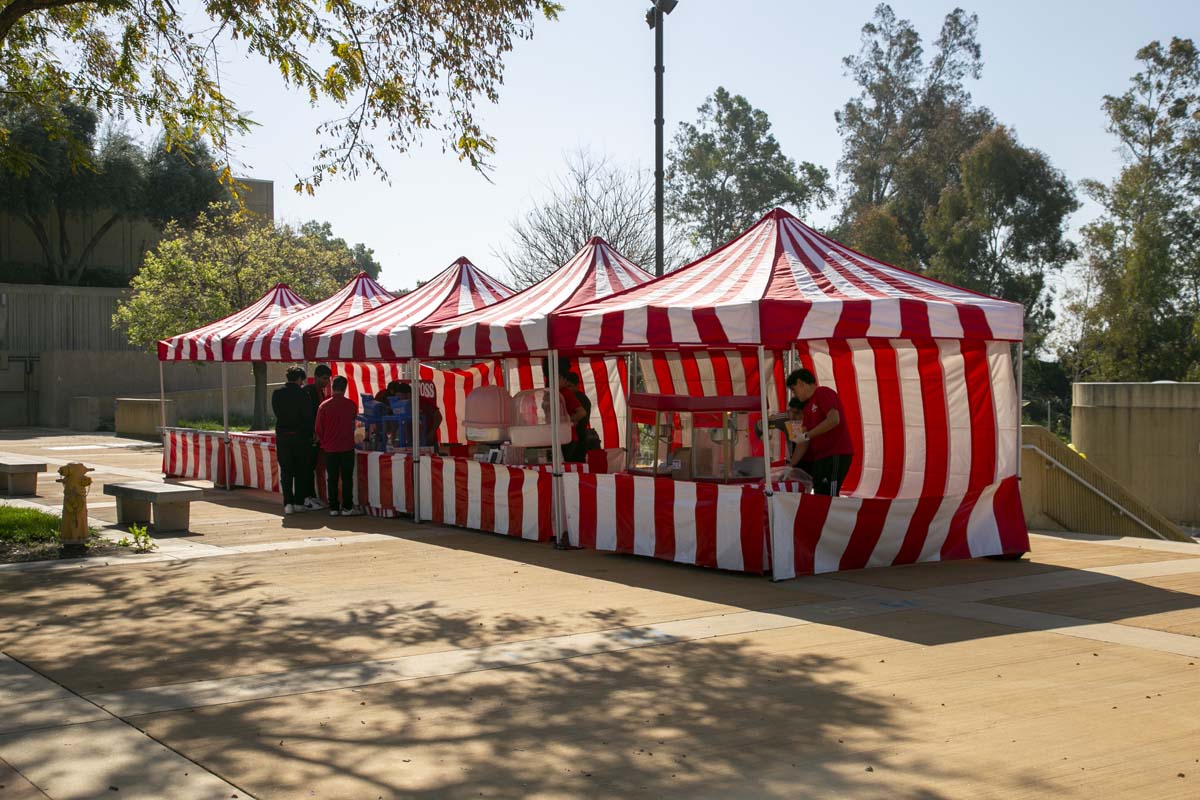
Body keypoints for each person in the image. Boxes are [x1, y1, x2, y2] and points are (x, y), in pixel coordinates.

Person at [785, 368, 854, 496]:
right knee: (820, 494)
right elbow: (803, 442)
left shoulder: (823, 392)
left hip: (834, 454)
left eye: (794, 390)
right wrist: (790, 465)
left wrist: (807, 435)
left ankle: (832, 516)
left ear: (800, 382)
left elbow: (834, 419)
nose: (795, 395)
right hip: (821, 458)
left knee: (829, 497)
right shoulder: (807, 407)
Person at [315, 376, 361, 517]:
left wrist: (323, 442)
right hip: (347, 446)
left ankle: (333, 507)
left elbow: (318, 429)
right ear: (345, 387)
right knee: (347, 478)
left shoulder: (324, 405)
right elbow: (357, 426)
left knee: (332, 478)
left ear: (332, 386)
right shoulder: (351, 405)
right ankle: (347, 507)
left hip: (330, 448)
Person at [271, 366, 314, 515]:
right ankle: (299, 502)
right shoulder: (304, 395)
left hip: (283, 436)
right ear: (299, 379)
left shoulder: (276, 394)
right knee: (301, 470)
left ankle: (288, 503)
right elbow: (308, 417)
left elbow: (276, 413)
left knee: (286, 471)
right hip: (300, 436)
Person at [301, 364, 333, 510]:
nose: (327, 382)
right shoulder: (308, 391)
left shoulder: (319, 391)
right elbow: (309, 415)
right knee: (307, 468)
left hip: (317, 436)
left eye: (328, 379)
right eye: (325, 378)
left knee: (312, 467)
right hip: (310, 436)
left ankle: (312, 496)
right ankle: (307, 497)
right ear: (317, 377)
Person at [395, 382, 443, 449]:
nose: (400, 400)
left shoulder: (422, 401)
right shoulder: (401, 405)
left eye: (401, 397)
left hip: (428, 441)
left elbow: (438, 417)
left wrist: (431, 433)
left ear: (408, 394)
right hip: (411, 443)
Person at [564, 372, 600, 459]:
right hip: (578, 438)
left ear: (577, 385)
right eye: (566, 387)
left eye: (570, 386)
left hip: (578, 439)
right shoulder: (582, 398)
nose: (568, 389)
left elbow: (579, 418)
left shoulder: (578, 398)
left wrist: (567, 421)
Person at [557, 369, 588, 462]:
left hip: (569, 437)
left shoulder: (566, 393)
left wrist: (566, 420)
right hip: (564, 436)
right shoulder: (556, 393)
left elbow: (582, 413)